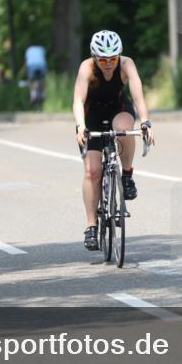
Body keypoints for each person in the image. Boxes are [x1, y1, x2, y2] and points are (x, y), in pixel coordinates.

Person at [73, 30, 155, 251]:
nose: (108, 64)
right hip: (92, 115)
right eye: (103, 59)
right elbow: (78, 100)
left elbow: (138, 95)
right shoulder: (87, 68)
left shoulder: (127, 64)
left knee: (124, 129)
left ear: (119, 56)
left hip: (118, 108)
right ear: (94, 57)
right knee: (92, 171)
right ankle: (91, 225)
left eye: (113, 59)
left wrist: (146, 121)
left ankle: (126, 175)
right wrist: (80, 125)